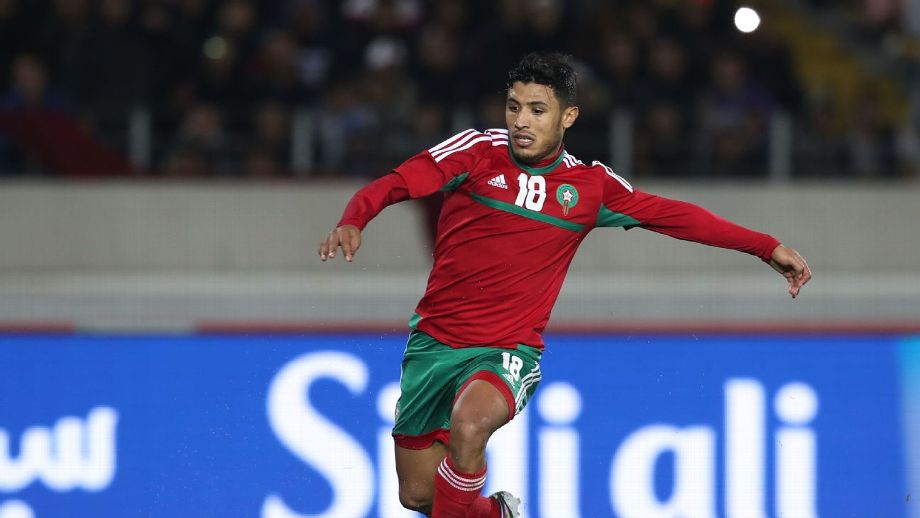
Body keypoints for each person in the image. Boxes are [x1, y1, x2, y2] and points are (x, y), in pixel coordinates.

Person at [318, 51, 811, 518]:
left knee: (470, 425)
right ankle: (498, 512)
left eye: (537, 110)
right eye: (513, 107)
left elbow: (674, 216)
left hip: (507, 350)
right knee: (418, 494)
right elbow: (400, 180)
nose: (521, 121)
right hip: (433, 346)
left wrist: (765, 246)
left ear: (568, 116)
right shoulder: (475, 151)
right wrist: (354, 217)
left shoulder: (590, 186)